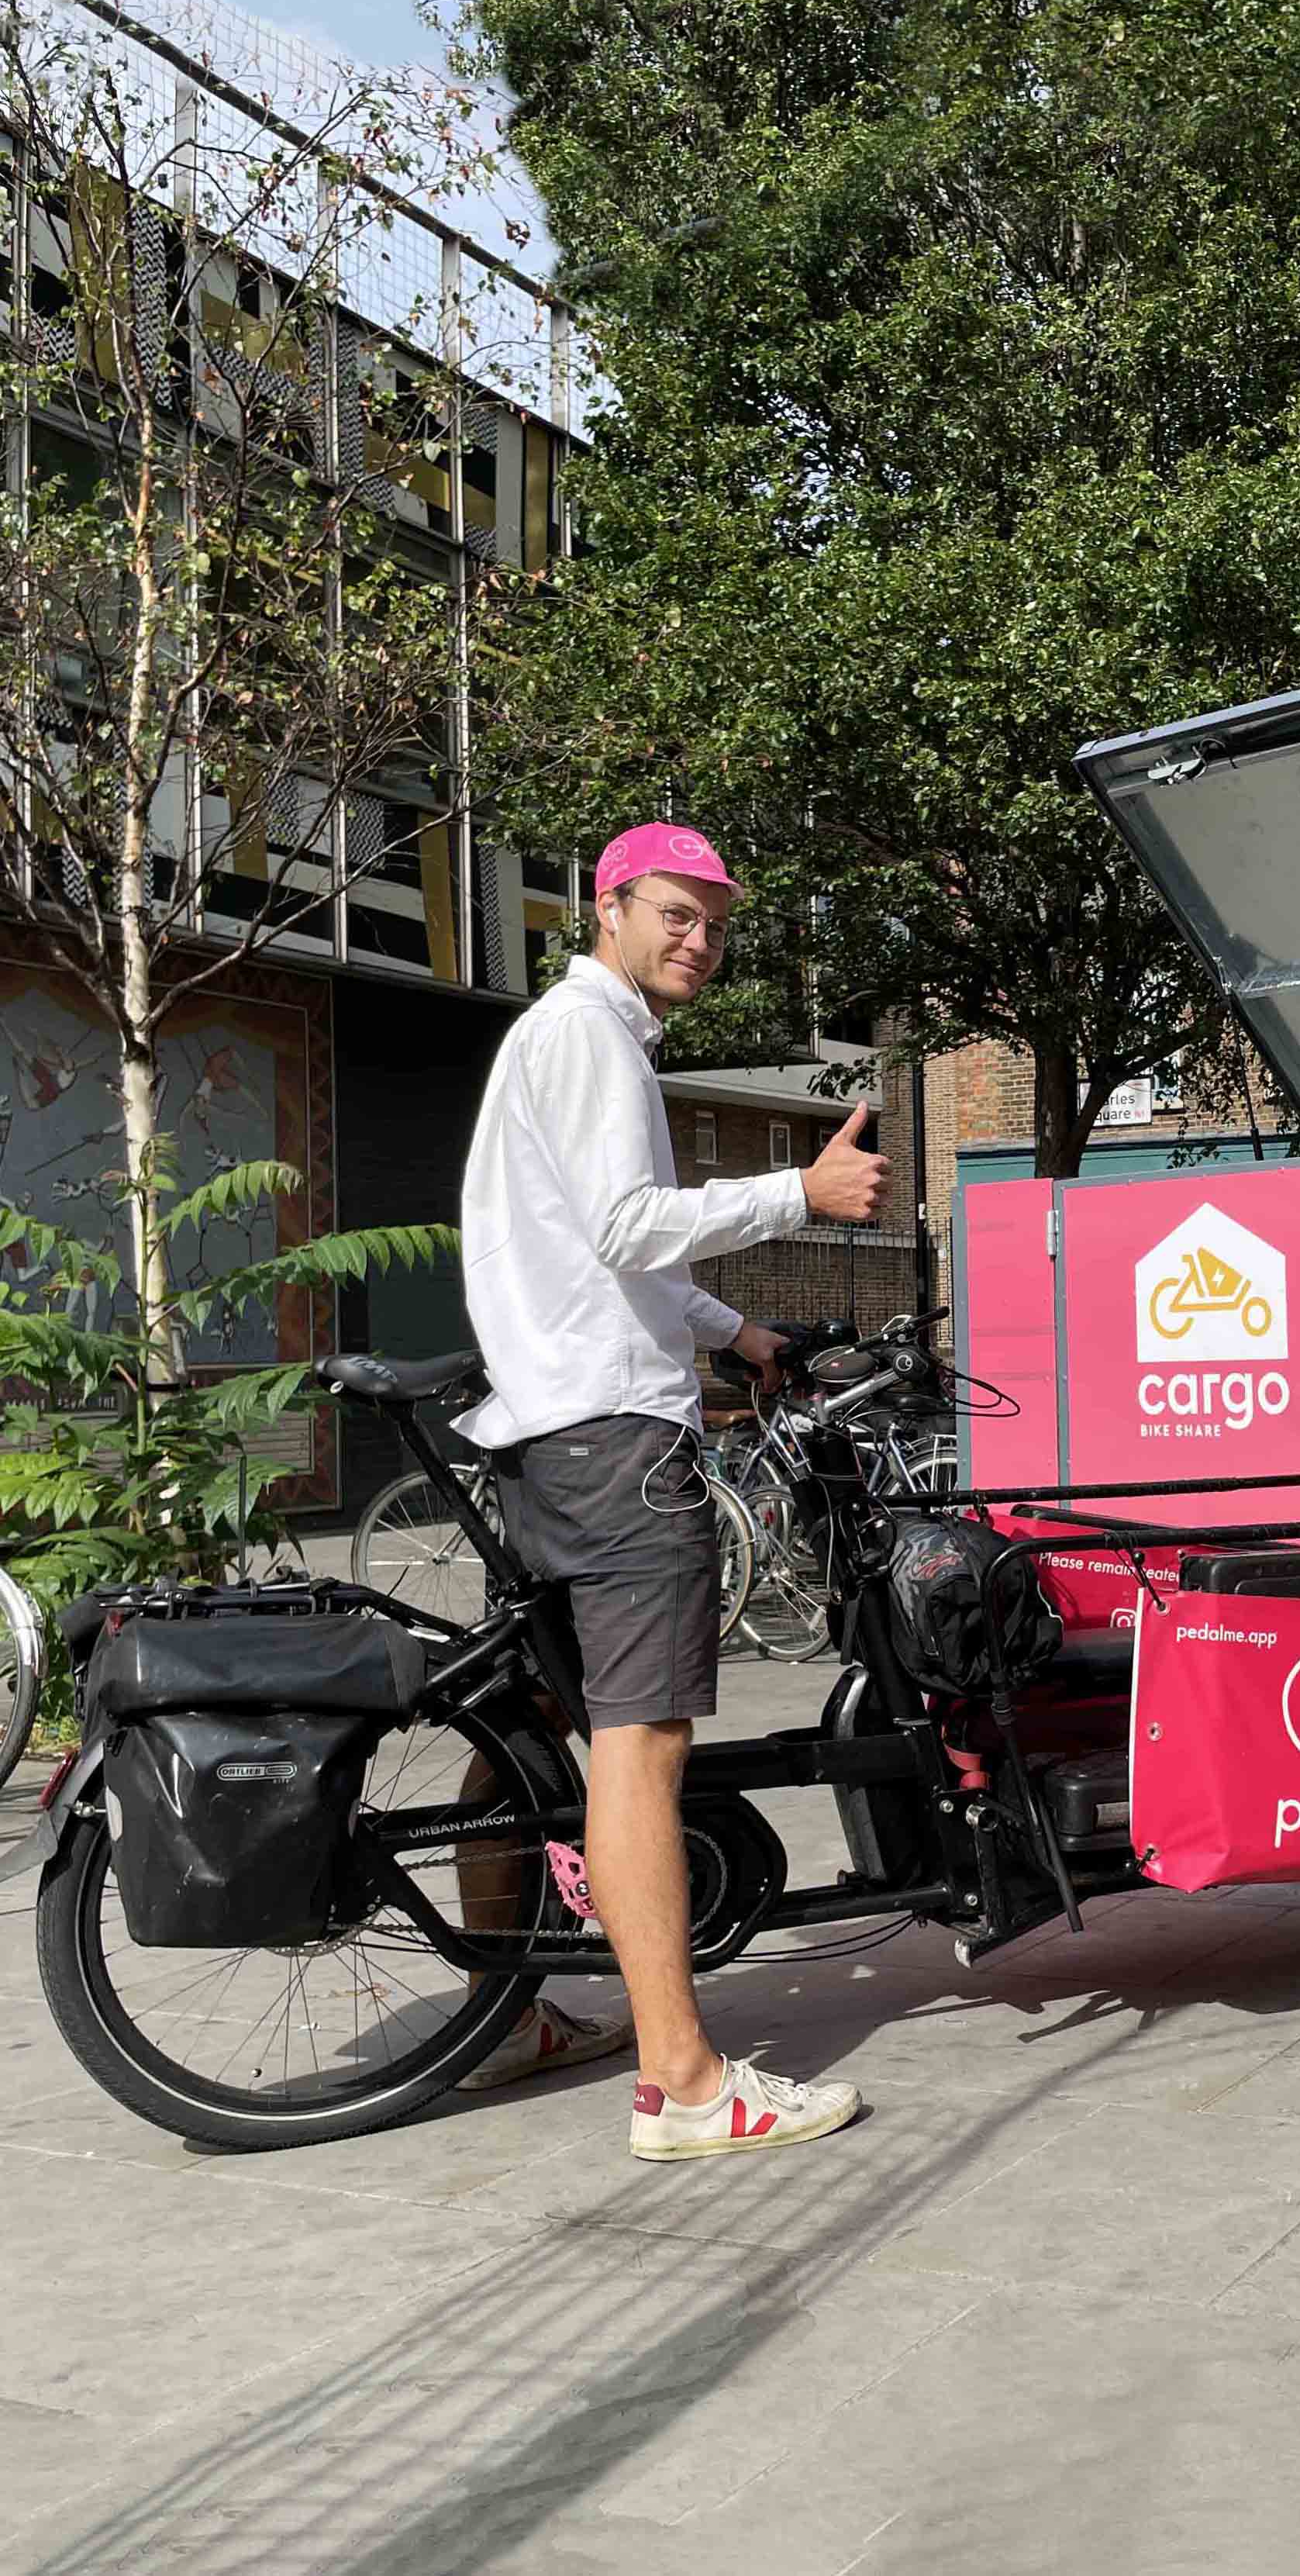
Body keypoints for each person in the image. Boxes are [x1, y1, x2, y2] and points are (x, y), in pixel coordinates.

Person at [453, 822, 890, 2162]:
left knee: (523, 1721)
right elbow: (627, 1223)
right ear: (609, 907)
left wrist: (737, 1332)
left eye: (714, 920)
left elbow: (612, 1256)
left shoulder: (569, 1038)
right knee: (642, 1745)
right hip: (612, 1441)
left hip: (546, 1431)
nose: (698, 938)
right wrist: (798, 1189)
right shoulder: (591, 1034)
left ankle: (501, 2016)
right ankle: (686, 2083)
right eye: (675, 913)